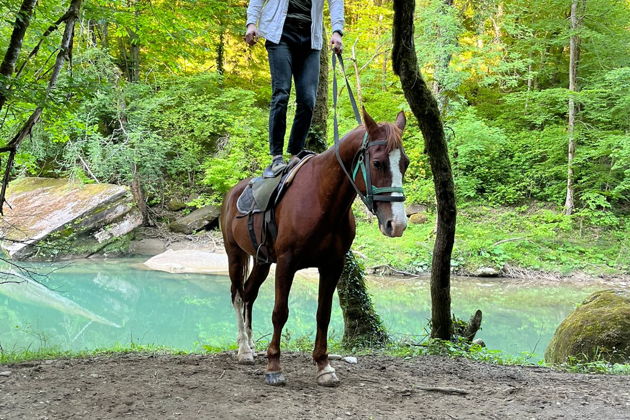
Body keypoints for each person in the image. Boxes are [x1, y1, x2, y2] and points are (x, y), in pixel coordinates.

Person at [245, 0, 344, 177]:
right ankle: (276, 156)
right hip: (280, 34)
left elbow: (336, 2)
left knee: (308, 99)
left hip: (310, 38)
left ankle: (295, 154)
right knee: (281, 93)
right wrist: (252, 22)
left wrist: (337, 31)